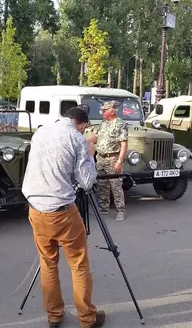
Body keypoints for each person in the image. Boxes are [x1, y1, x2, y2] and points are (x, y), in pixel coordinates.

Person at [22, 106, 106, 328]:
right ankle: (87, 319)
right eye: (85, 128)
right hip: (60, 210)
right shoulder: (76, 138)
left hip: (35, 207)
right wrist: (90, 153)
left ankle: (54, 316)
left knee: (48, 264)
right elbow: (87, 182)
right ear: (82, 124)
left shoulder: (41, 131)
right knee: (78, 265)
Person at [89, 101, 128, 221]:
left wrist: (119, 162)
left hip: (113, 158)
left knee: (116, 186)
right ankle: (103, 207)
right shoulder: (103, 124)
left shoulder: (120, 124)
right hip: (101, 158)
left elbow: (124, 144)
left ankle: (120, 210)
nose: (102, 112)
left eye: (104, 110)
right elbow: (96, 137)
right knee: (102, 185)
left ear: (112, 111)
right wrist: (85, 142)